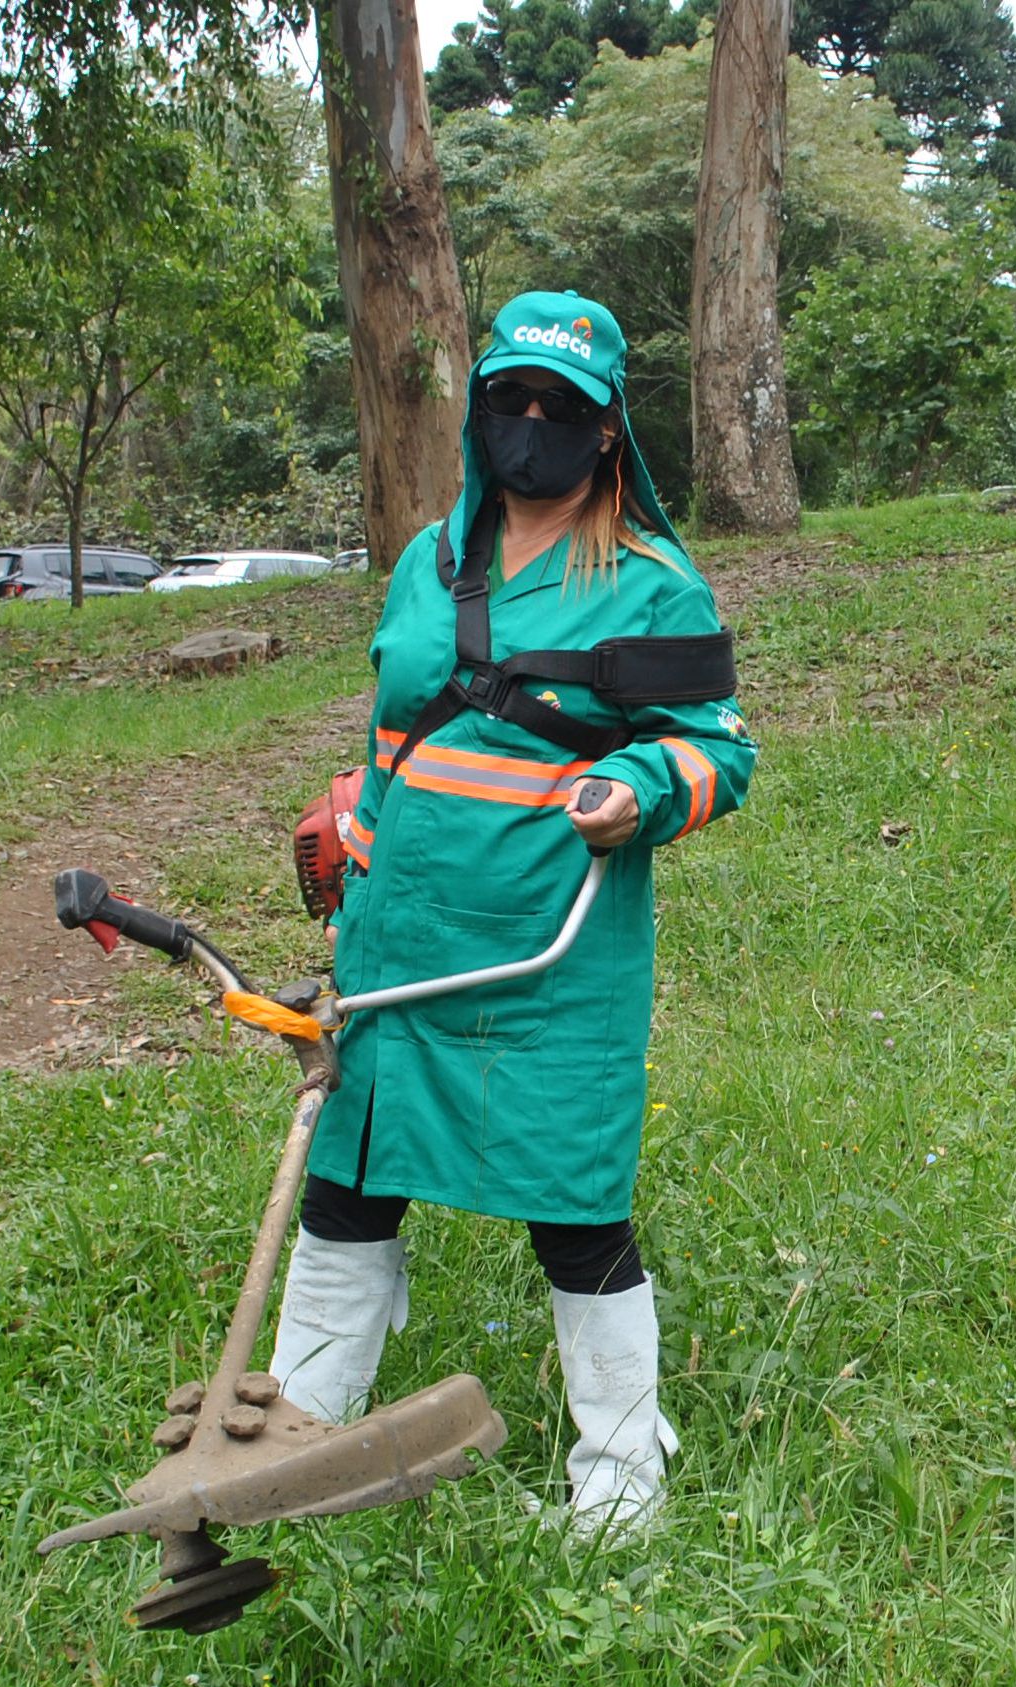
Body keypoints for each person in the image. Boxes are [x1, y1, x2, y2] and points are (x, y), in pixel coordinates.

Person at [269, 291, 755, 1536]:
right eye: (510, 400)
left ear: (604, 431)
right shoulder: (430, 565)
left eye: (560, 408)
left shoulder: (650, 583)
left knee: (573, 1211)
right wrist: (351, 887)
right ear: (481, 409)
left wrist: (636, 788)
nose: (530, 424)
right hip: (400, 945)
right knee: (348, 1191)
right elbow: (387, 739)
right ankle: (297, 1436)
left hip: (551, 960)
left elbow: (717, 752)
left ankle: (620, 1487)